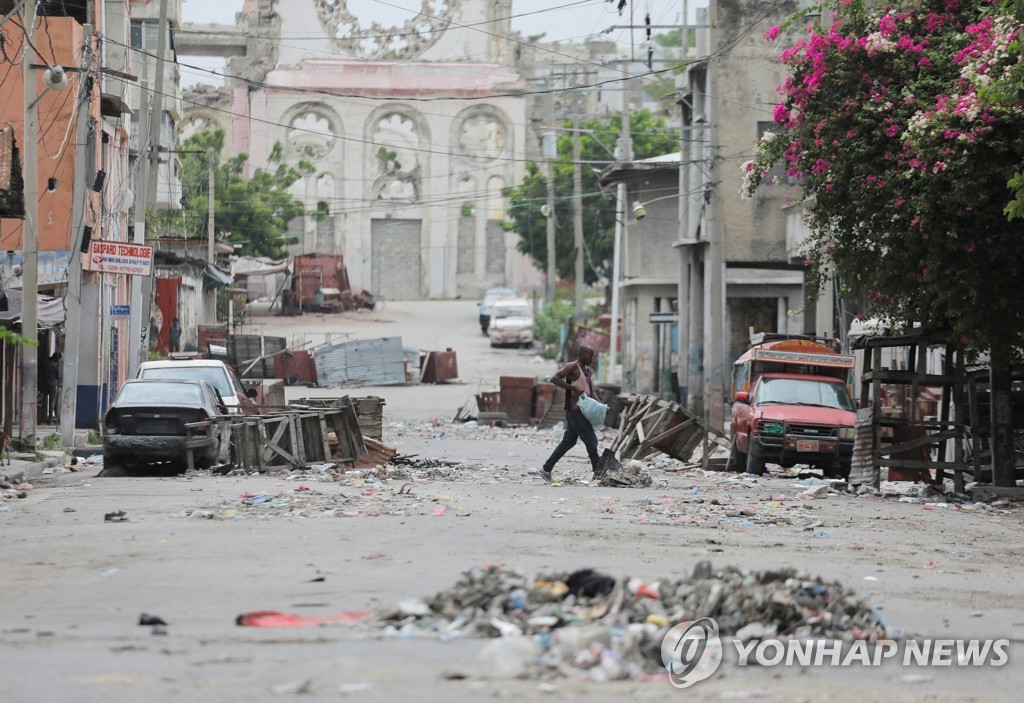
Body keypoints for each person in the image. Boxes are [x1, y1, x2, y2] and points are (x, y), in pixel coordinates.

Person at [539, 345, 600, 482]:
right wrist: (571, 387)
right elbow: (554, 378)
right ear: (582, 354)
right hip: (575, 411)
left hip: (584, 411)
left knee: (569, 442)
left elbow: (591, 391)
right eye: (590, 355)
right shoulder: (572, 366)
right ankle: (598, 473)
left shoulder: (587, 370)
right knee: (591, 442)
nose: (592, 358)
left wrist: (600, 405)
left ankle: (546, 469)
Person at [43, 351, 61, 424]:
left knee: (45, 402)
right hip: (53, 384)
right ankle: (51, 420)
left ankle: (48, 419)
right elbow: (58, 376)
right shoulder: (55, 365)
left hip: (45, 383)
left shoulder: (47, 363)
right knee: (52, 402)